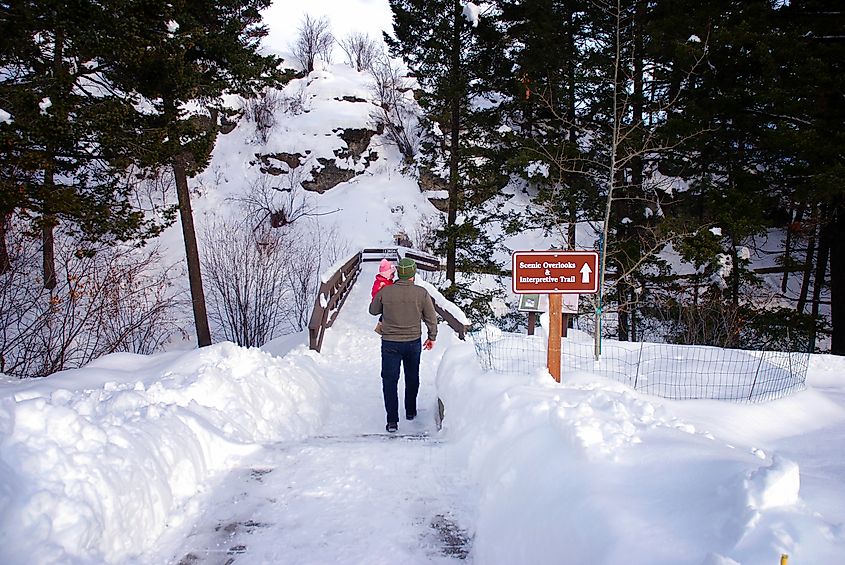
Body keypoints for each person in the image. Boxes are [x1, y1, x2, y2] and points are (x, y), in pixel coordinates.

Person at [368, 258, 437, 433]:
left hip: (390, 343)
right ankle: (411, 411)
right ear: (412, 274)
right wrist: (432, 337)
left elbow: (373, 310)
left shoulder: (386, 291)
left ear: (398, 273)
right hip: (413, 342)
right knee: (412, 377)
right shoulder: (421, 293)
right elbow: (431, 317)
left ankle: (392, 421)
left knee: (390, 380)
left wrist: (381, 293)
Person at [371, 259, 395, 334]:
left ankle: (382, 325)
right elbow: (375, 293)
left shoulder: (387, 281)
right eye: (392, 274)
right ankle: (380, 326)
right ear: (386, 274)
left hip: (386, 301)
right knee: (386, 313)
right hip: (380, 302)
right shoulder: (381, 283)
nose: (393, 276)